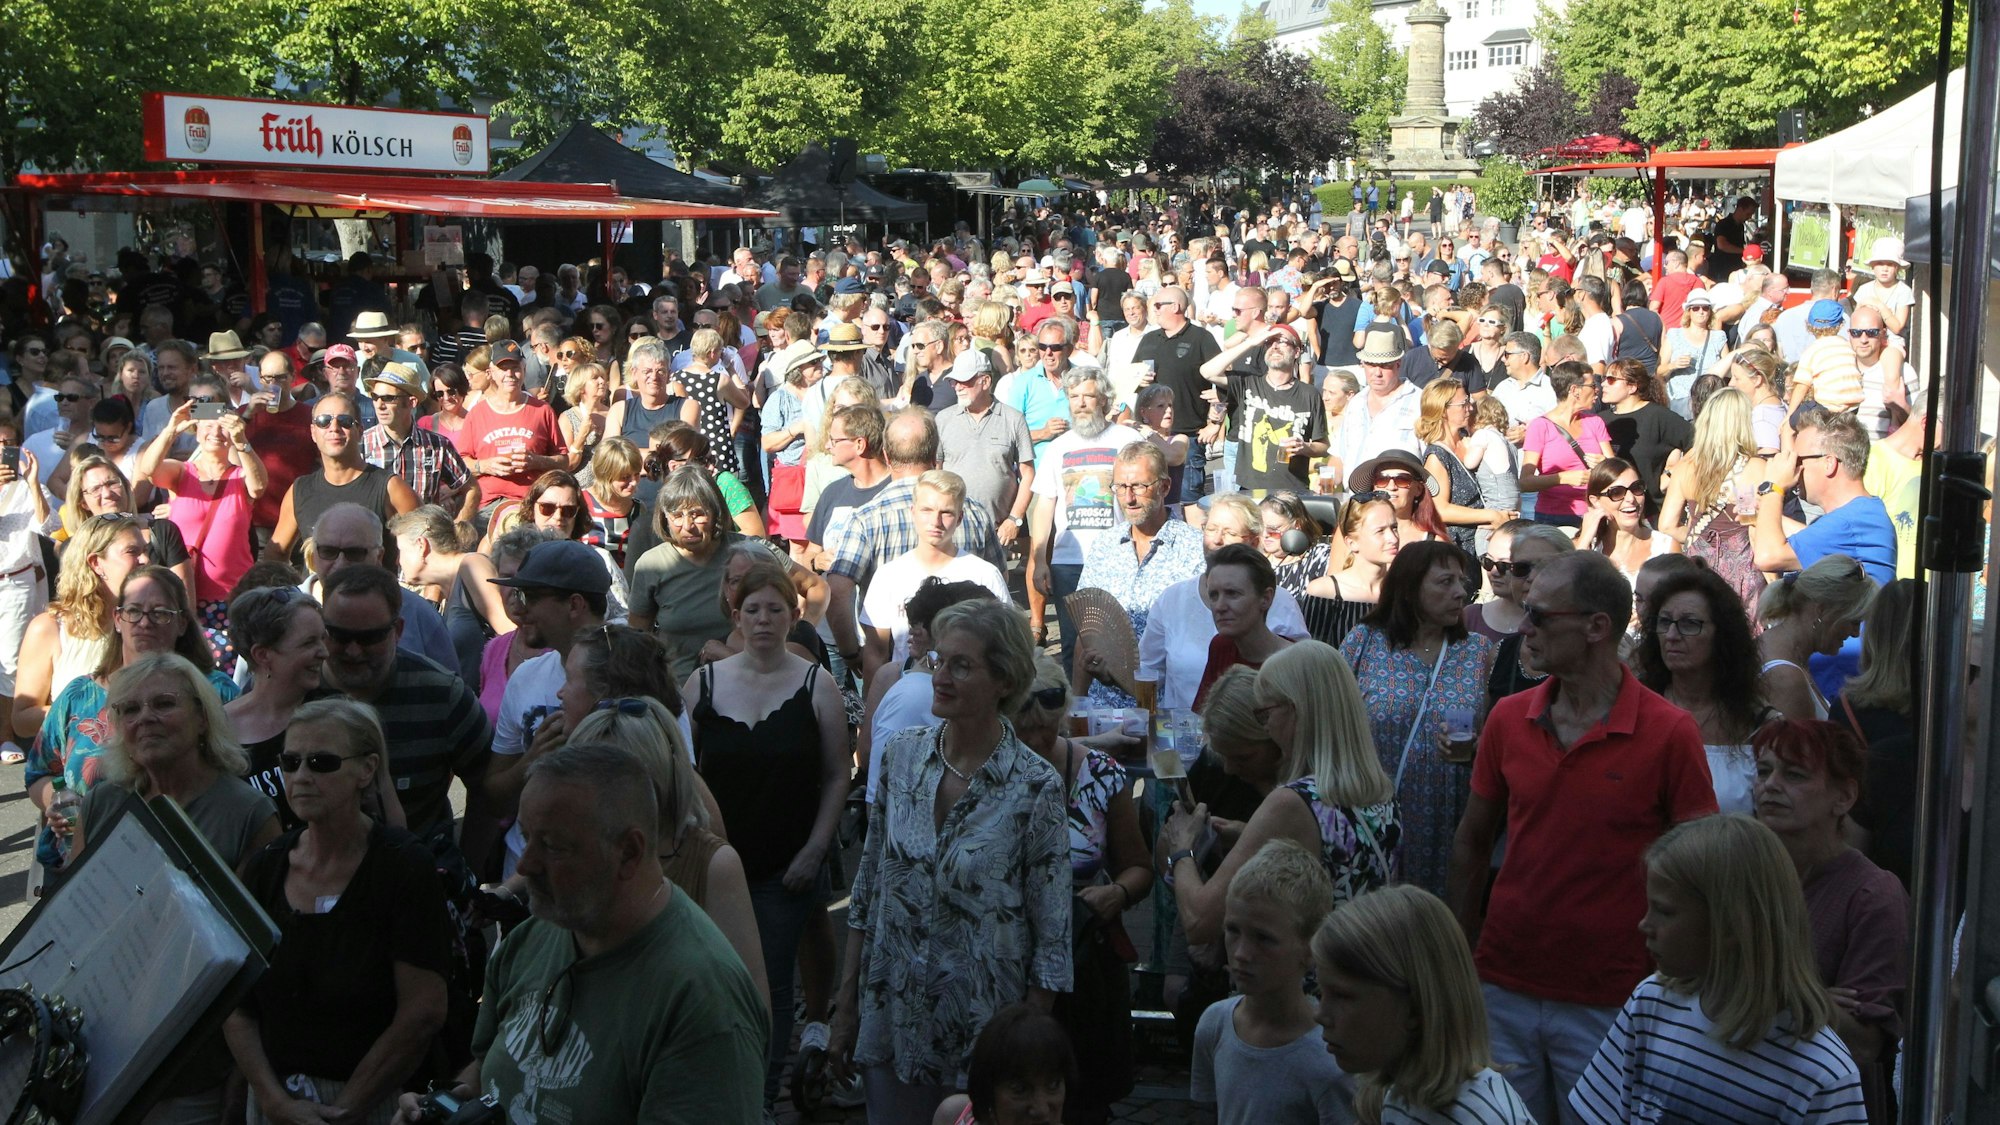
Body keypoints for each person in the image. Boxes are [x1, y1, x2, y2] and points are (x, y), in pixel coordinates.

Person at [1448, 551, 1717, 1121]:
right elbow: (1472, 842)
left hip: (1614, 995)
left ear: (1597, 626)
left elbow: (1702, 870)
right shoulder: (1508, 718)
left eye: (1540, 616)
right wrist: (1460, 959)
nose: (1524, 627)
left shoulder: (1670, 733)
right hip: (1503, 981)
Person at [394, 743, 768, 1124]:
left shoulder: (702, 1003)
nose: (526, 864)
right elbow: (487, 1067)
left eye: (553, 847)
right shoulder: (533, 939)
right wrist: (445, 1108)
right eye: (526, 837)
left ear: (628, 852)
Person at [833, 599, 1072, 1123]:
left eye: (962, 665)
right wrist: (846, 1004)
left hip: (983, 1032)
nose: (940, 676)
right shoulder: (901, 757)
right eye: (939, 660)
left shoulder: (1036, 786)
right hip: (892, 1015)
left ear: (1004, 681)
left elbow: (1052, 937)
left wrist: (1027, 1050)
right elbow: (868, 888)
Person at [70, 653, 281, 1119]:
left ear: (203, 718)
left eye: (163, 704)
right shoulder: (102, 804)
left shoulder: (248, 814)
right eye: (129, 709)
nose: (145, 718)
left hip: (197, 1061)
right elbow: (73, 928)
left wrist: (241, 1075)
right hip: (101, 1050)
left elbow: (257, 963)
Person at [224, 698, 452, 1125]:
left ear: (366, 770)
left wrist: (344, 1111)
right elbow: (236, 1005)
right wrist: (272, 1100)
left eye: (321, 762)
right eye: (290, 762)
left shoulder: (401, 867)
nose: (302, 777)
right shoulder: (266, 867)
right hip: (277, 1103)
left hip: (375, 1103)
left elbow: (422, 1012)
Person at [1568, 815, 1868, 1124]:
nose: (1644, 925)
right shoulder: (1651, 1004)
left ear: (1730, 926)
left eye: (1665, 911)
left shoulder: (1822, 1074)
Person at [687, 561, 851, 1113]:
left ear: (792, 615)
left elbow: (836, 774)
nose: (762, 620)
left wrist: (816, 848)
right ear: (736, 616)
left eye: (774, 609)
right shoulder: (703, 683)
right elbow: (682, 771)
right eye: (752, 610)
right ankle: (719, 1086)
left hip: (787, 865)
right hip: (714, 863)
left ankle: (759, 1095)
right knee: (714, 976)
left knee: (774, 983)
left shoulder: (815, 684)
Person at [1161, 640, 1399, 945]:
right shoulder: (1380, 791)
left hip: (1305, 986)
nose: (1267, 728)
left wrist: (1183, 848)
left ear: (1296, 711)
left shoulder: (1292, 803)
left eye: (1265, 714)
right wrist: (1249, 833)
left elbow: (1199, 921)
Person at [1014, 656, 1153, 1124]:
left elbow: (1138, 867)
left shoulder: (1099, 773)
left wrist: (1117, 894)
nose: (1034, 741)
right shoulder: (987, 771)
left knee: (1080, 1098)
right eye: (1023, 730)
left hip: (1082, 958)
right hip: (1008, 954)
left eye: (1046, 731)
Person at [27, 566, 234, 875]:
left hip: (181, 863)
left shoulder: (214, 690)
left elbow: (233, 769)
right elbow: (39, 771)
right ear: (117, 620)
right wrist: (56, 801)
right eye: (133, 611)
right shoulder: (79, 695)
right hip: (79, 867)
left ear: (181, 622)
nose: (144, 623)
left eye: (160, 613)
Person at [1751, 721, 1909, 1122]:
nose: (1770, 785)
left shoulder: (1872, 895)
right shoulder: (1740, 872)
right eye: (1763, 771)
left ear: (1844, 797)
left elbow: (1864, 1044)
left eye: (1795, 774)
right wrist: (1819, 998)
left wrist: (1778, 988)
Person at [1342, 542, 1494, 898]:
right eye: (1445, 582)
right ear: (1409, 588)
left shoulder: (1479, 651)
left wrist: (1477, 745)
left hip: (1446, 817)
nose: (1460, 592)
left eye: (1462, 581)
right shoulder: (1365, 642)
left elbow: (1493, 732)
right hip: (1373, 813)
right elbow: (1331, 718)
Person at [1313, 886, 1537, 1125]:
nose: (1321, 1015)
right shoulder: (1400, 1096)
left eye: (1342, 996)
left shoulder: (1480, 1118)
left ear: (1414, 1008)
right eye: (1321, 993)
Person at [1192, 839, 1355, 1125]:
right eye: (1232, 930)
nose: (1241, 953)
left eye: (1263, 938)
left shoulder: (1328, 1062)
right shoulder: (1214, 1025)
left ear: (1310, 948)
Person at [1072, 441, 1207, 707]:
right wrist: (1077, 702)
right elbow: (1086, 631)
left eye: (1139, 487)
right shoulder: (1104, 546)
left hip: (1167, 709)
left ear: (1165, 487)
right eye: (1120, 487)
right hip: (1104, 708)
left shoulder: (1194, 549)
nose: (1129, 498)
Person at [137, 376, 267, 650]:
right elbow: (149, 470)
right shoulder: (183, 473)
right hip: (183, 595)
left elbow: (259, 486)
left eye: (222, 427)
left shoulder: (240, 476)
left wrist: (242, 441)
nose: (215, 433)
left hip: (231, 596)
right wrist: (171, 430)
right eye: (208, 426)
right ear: (196, 432)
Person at [628, 466, 795, 678]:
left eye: (697, 514)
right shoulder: (651, 565)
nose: (687, 525)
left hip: (750, 682)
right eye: (677, 516)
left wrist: (797, 639)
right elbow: (638, 638)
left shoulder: (747, 553)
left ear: (715, 512)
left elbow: (813, 588)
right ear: (665, 518)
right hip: (679, 692)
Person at [1634, 564, 1774, 813]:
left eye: (1689, 624)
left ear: (1722, 635)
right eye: (1664, 622)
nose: (1672, 635)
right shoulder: (1634, 709)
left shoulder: (1759, 724)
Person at [1028, 368, 1143, 659]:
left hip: (1118, 556)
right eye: (1073, 396)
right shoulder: (1058, 448)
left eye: (1088, 396)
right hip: (1069, 561)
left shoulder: (1127, 439)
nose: (1080, 403)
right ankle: (1076, 704)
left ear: (1104, 400)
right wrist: (1041, 560)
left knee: (1120, 639)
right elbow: (1044, 506)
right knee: (1072, 644)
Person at [11, 513, 150, 741]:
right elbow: (22, 720)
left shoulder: (153, 621)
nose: (145, 560)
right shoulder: (51, 628)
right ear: (96, 563)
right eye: (132, 551)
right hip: (74, 766)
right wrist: (92, 713)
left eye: (146, 551)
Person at [860, 469, 1011, 678]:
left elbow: (1007, 643)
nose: (936, 521)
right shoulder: (888, 575)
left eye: (946, 513)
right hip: (907, 690)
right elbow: (875, 652)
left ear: (960, 518)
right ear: (913, 512)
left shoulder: (984, 574)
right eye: (927, 510)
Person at [268, 390, 420, 568]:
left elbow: (426, 548)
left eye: (345, 421)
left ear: (360, 431)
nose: (334, 428)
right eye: (323, 421)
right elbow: (275, 553)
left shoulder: (389, 487)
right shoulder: (300, 490)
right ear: (313, 432)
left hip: (374, 593)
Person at [301, 503, 460, 673]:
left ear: (379, 556)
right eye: (328, 551)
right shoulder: (288, 611)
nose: (340, 564)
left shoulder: (418, 613)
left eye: (354, 553)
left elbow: (451, 686)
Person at [224, 585, 332, 827]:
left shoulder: (335, 715)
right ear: (263, 655)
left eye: (323, 639)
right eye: (308, 643)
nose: (324, 652)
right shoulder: (217, 728)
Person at [1752, 412, 1898, 584]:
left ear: (1829, 463)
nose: (1794, 471)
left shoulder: (1850, 522)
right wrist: (1762, 514)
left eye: (1799, 461)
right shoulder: (1861, 515)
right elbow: (1810, 538)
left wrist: (1772, 487)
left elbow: (1767, 556)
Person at [1659, 387, 1767, 612]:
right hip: (1740, 572)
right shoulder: (1752, 467)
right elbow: (1751, 524)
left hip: (1698, 567)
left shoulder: (1686, 467)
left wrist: (1698, 538)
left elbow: (1667, 524)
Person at [1758, 555, 1878, 722]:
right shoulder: (1786, 679)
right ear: (1822, 610)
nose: (1856, 633)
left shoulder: (1782, 654)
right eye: (1854, 621)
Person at [462, 339, 567, 521]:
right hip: (487, 506)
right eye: (503, 369)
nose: (510, 374)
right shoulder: (476, 414)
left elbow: (564, 462)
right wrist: (485, 465)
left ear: (524, 369)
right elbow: (461, 463)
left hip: (532, 504)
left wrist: (536, 461)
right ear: (491, 373)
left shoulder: (542, 411)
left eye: (515, 367)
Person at [928, 1004, 1080, 1125]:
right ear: (987, 1092)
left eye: (1053, 1085)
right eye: (1020, 1089)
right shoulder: (952, 1114)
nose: (1041, 1109)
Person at [362, 362, 472, 511]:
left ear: (411, 402)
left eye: (388, 398)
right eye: (375, 397)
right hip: (375, 532)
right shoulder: (361, 444)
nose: (379, 405)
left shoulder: (438, 445)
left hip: (423, 531)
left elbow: (470, 488)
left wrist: (460, 524)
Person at [1415, 378, 1506, 552]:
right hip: (1462, 548)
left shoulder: (1472, 441)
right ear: (1443, 411)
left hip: (1489, 542)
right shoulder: (1437, 456)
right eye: (1463, 403)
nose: (1470, 408)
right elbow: (1440, 509)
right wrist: (1490, 515)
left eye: (1469, 401)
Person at [1519, 362, 1611, 529]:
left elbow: (1616, 471)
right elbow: (1525, 482)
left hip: (1594, 514)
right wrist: (1563, 478)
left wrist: (1605, 464)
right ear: (1575, 390)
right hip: (1552, 518)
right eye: (1592, 385)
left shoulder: (1595, 422)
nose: (1597, 389)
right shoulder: (1540, 426)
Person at [1301, 494, 1399, 647]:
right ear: (1352, 543)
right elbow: (1314, 658)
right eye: (1380, 531)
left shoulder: (1405, 591)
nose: (1393, 538)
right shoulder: (1325, 591)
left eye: (1394, 528)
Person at [1595, 359, 1692, 511]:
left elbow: (1699, 444)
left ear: (1632, 387)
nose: (1603, 384)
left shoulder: (1658, 416)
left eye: (1611, 380)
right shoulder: (1600, 420)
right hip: (1611, 512)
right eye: (1604, 379)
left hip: (1650, 511)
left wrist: (1672, 472)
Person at [1575, 458, 1673, 584]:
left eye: (1637, 488)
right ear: (1596, 501)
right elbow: (1566, 594)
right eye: (1617, 493)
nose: (1631, 499)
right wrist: (1584, 541)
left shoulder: (1666, 547)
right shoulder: (1580, 547)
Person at [1659, 289, 1723, 416]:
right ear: (1688, 311)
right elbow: (1659, 370)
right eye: (1696, 308)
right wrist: (1674, 365)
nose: (1701, 311)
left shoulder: (1718, 337)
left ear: (1710, 312)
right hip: (1680, 401)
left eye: (1705, 308)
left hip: (1709, 402)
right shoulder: (1675, 335)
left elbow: (1729, 368)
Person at [1259, 492, 1330, 598]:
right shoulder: (1253, 558)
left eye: (1272, 529)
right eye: (1260, 527)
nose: (1265, 535)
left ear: (1297, 525)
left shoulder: (1320, 557)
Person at [1725, 347, 1789, 456]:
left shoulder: (1762, 419)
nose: (1731, 384)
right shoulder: (1778, 404)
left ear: (1756, 380)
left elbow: (1768, 459)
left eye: (1737, 378)